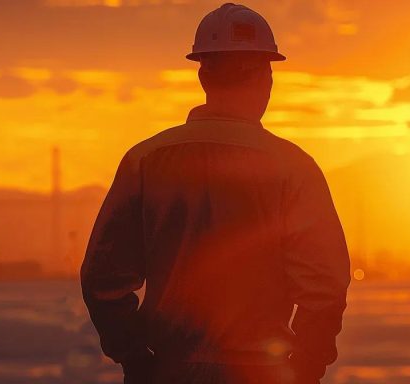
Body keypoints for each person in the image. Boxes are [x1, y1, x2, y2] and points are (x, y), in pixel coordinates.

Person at [80, 3, 351, 383]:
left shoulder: (145, 160)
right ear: (266, 76)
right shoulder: (294, 168)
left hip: (166, 370)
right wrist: (306, 366)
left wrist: (134, 356)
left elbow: (102, 281)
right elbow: (324, 288)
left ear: (203, 74)